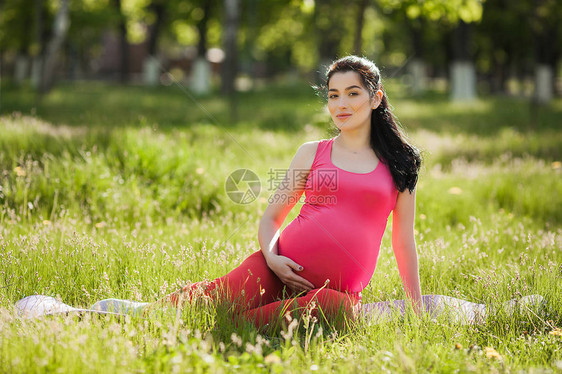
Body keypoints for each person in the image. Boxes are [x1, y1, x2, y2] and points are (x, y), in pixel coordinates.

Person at [16, 56, 543, 327]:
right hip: (276, 266)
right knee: (192, 314)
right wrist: (271, 253)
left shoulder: (400, 164)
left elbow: (403, 243)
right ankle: (72, 314)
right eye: (333, 95)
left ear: (376, 98)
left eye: (352, 94)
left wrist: (415, 305)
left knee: (309, 315)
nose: (340, 104)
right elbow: (273, 216)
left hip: (333, 295)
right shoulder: (310, 152)